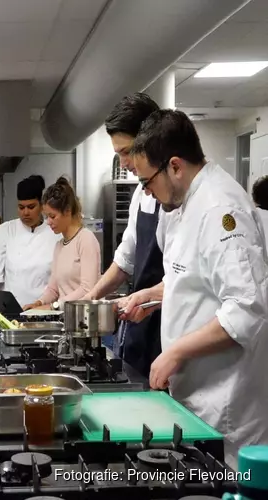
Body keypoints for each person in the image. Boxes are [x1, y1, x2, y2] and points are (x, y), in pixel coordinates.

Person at [124, 109, 268, 468]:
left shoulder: (221, 210)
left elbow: (246, 310)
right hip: (194, 398)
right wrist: (153, 296)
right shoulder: (181, 206)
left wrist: (175, 353)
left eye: (147, 182)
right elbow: (189, 278)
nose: (146, 192)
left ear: (175, 166)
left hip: (227, 407)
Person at [84, 93, 164, 377]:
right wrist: (91, 298)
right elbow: (125, 259)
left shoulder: (182, 200)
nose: (124, 161)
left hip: (169, 326)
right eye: (118, 153)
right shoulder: (141, 196)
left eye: (127, 151)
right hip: (140, 322)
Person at [24, 177, 101, 311]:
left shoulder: (86, 239)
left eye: (52, 216)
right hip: (66, 319)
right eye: (46, 217)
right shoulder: (59, 245)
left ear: (67, 211)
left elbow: (87, 289)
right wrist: (38, 303)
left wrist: (54, 306)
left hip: (85, 319)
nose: (48, 222)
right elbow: (53, 289)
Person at [0, 175, 60, 306]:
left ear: (42, 206)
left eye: (31, 207)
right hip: (11, 315)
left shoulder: (55, 233)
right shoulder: (5, 231)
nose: (25, 213)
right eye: (21, 207)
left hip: (46, 312)